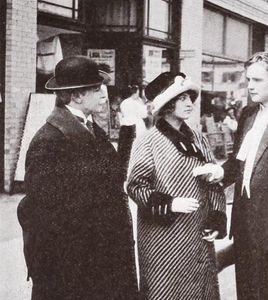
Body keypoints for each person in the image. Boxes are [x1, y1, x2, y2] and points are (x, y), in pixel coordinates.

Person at [17, 56, 138, 299]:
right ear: (77, 96)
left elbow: (113, 177)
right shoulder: (49, 140)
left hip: (98, 258)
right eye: (96, 89)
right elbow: (43, 212)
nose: (103, 94)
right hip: (74, 268)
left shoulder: (88, 128)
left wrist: (127, 132)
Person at [196, 52, 268, 299]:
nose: (250, 86)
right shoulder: (248, 115)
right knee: (246, 288)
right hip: (243, 221)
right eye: (248, 79)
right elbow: (239, 162)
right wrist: (219, 171)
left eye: (257, 80)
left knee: (267, 288)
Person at [126, 72, 227, 300]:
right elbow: (135, 186)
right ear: (168, 104)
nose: (189, 103)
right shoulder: (147, 140)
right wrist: (170, 203)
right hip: (163, 238)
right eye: (182, 98)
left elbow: (214, 184)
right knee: (166, 292)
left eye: (190, 98)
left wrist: (216, 217)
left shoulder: (198, 138)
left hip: (198, 234)